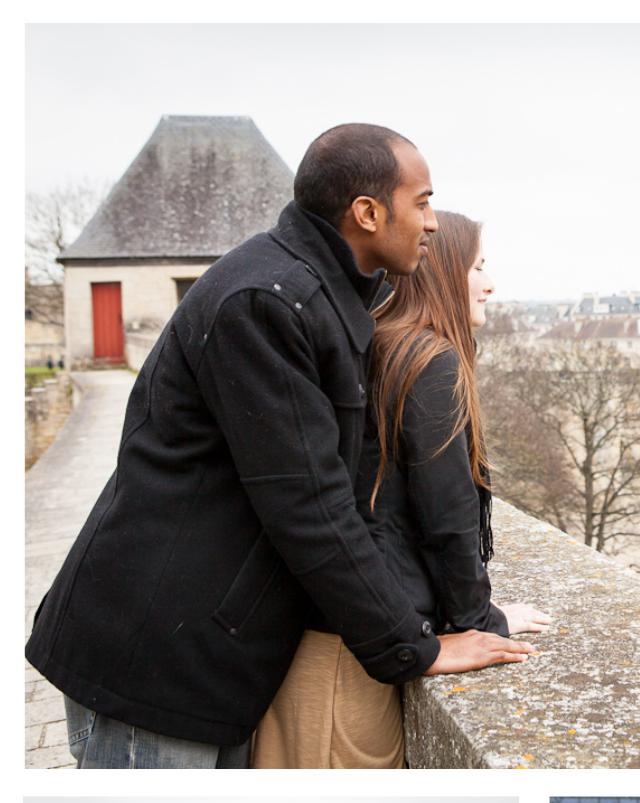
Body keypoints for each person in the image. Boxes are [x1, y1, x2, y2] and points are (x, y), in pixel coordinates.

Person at [26, 123, 533, 769]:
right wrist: (417, 648)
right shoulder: (265, 302)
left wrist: (465, 615)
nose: (433, 224)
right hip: (154, 659)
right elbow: (311, 505)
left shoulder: (318, 295)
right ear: (368, 213)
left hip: (211, 651)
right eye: (424, 201)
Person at [252, 209, 549, 767]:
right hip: (345, 660)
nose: (490, 282)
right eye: (477, 266)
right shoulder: (430, 360)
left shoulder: (382, 344)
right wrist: (481, 620)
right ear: (441, 274)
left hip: (330, 636)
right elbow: (446, 515)